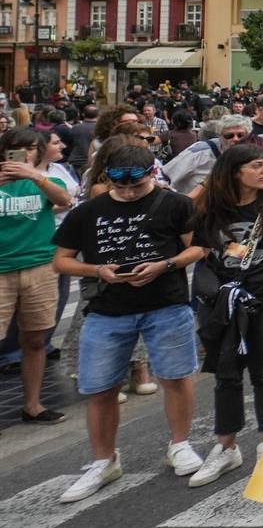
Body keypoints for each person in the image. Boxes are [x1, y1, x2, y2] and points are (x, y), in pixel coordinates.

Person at [51, 142, 205, 501]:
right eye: (122, 187)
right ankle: (104, 460)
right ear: (109, 179)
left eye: (137, 186)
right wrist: (97, 270)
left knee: (175, 378)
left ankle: (180, 444)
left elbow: (198, 247)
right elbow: (62, 260)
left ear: (152, 173)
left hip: (166, 304)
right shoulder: (88, 212)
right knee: (101, 388)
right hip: (107, 310)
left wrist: (164, 265)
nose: (130, 192)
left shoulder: (176, 204)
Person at [187, 144, 263, 486]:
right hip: (223, 301)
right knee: (227, 371)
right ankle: (226, 446)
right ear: (235, 172)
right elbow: (205, 252)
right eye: (256, 165)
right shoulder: (210, 212)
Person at [0, 126, 73, 424]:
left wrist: (36, 176)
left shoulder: (46, 180)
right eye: (17, 148)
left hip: (40, 266)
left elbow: (64, 199)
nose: (25, 153)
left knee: (35, 339)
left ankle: (33, 404)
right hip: (2, 269)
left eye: (31, 148)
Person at [162, 115, 252, 200]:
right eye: (229, 136)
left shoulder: (251, 154)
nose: (236, 139)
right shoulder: (200, 152)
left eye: (240, 135)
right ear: (219, 135)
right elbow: (165, 176)